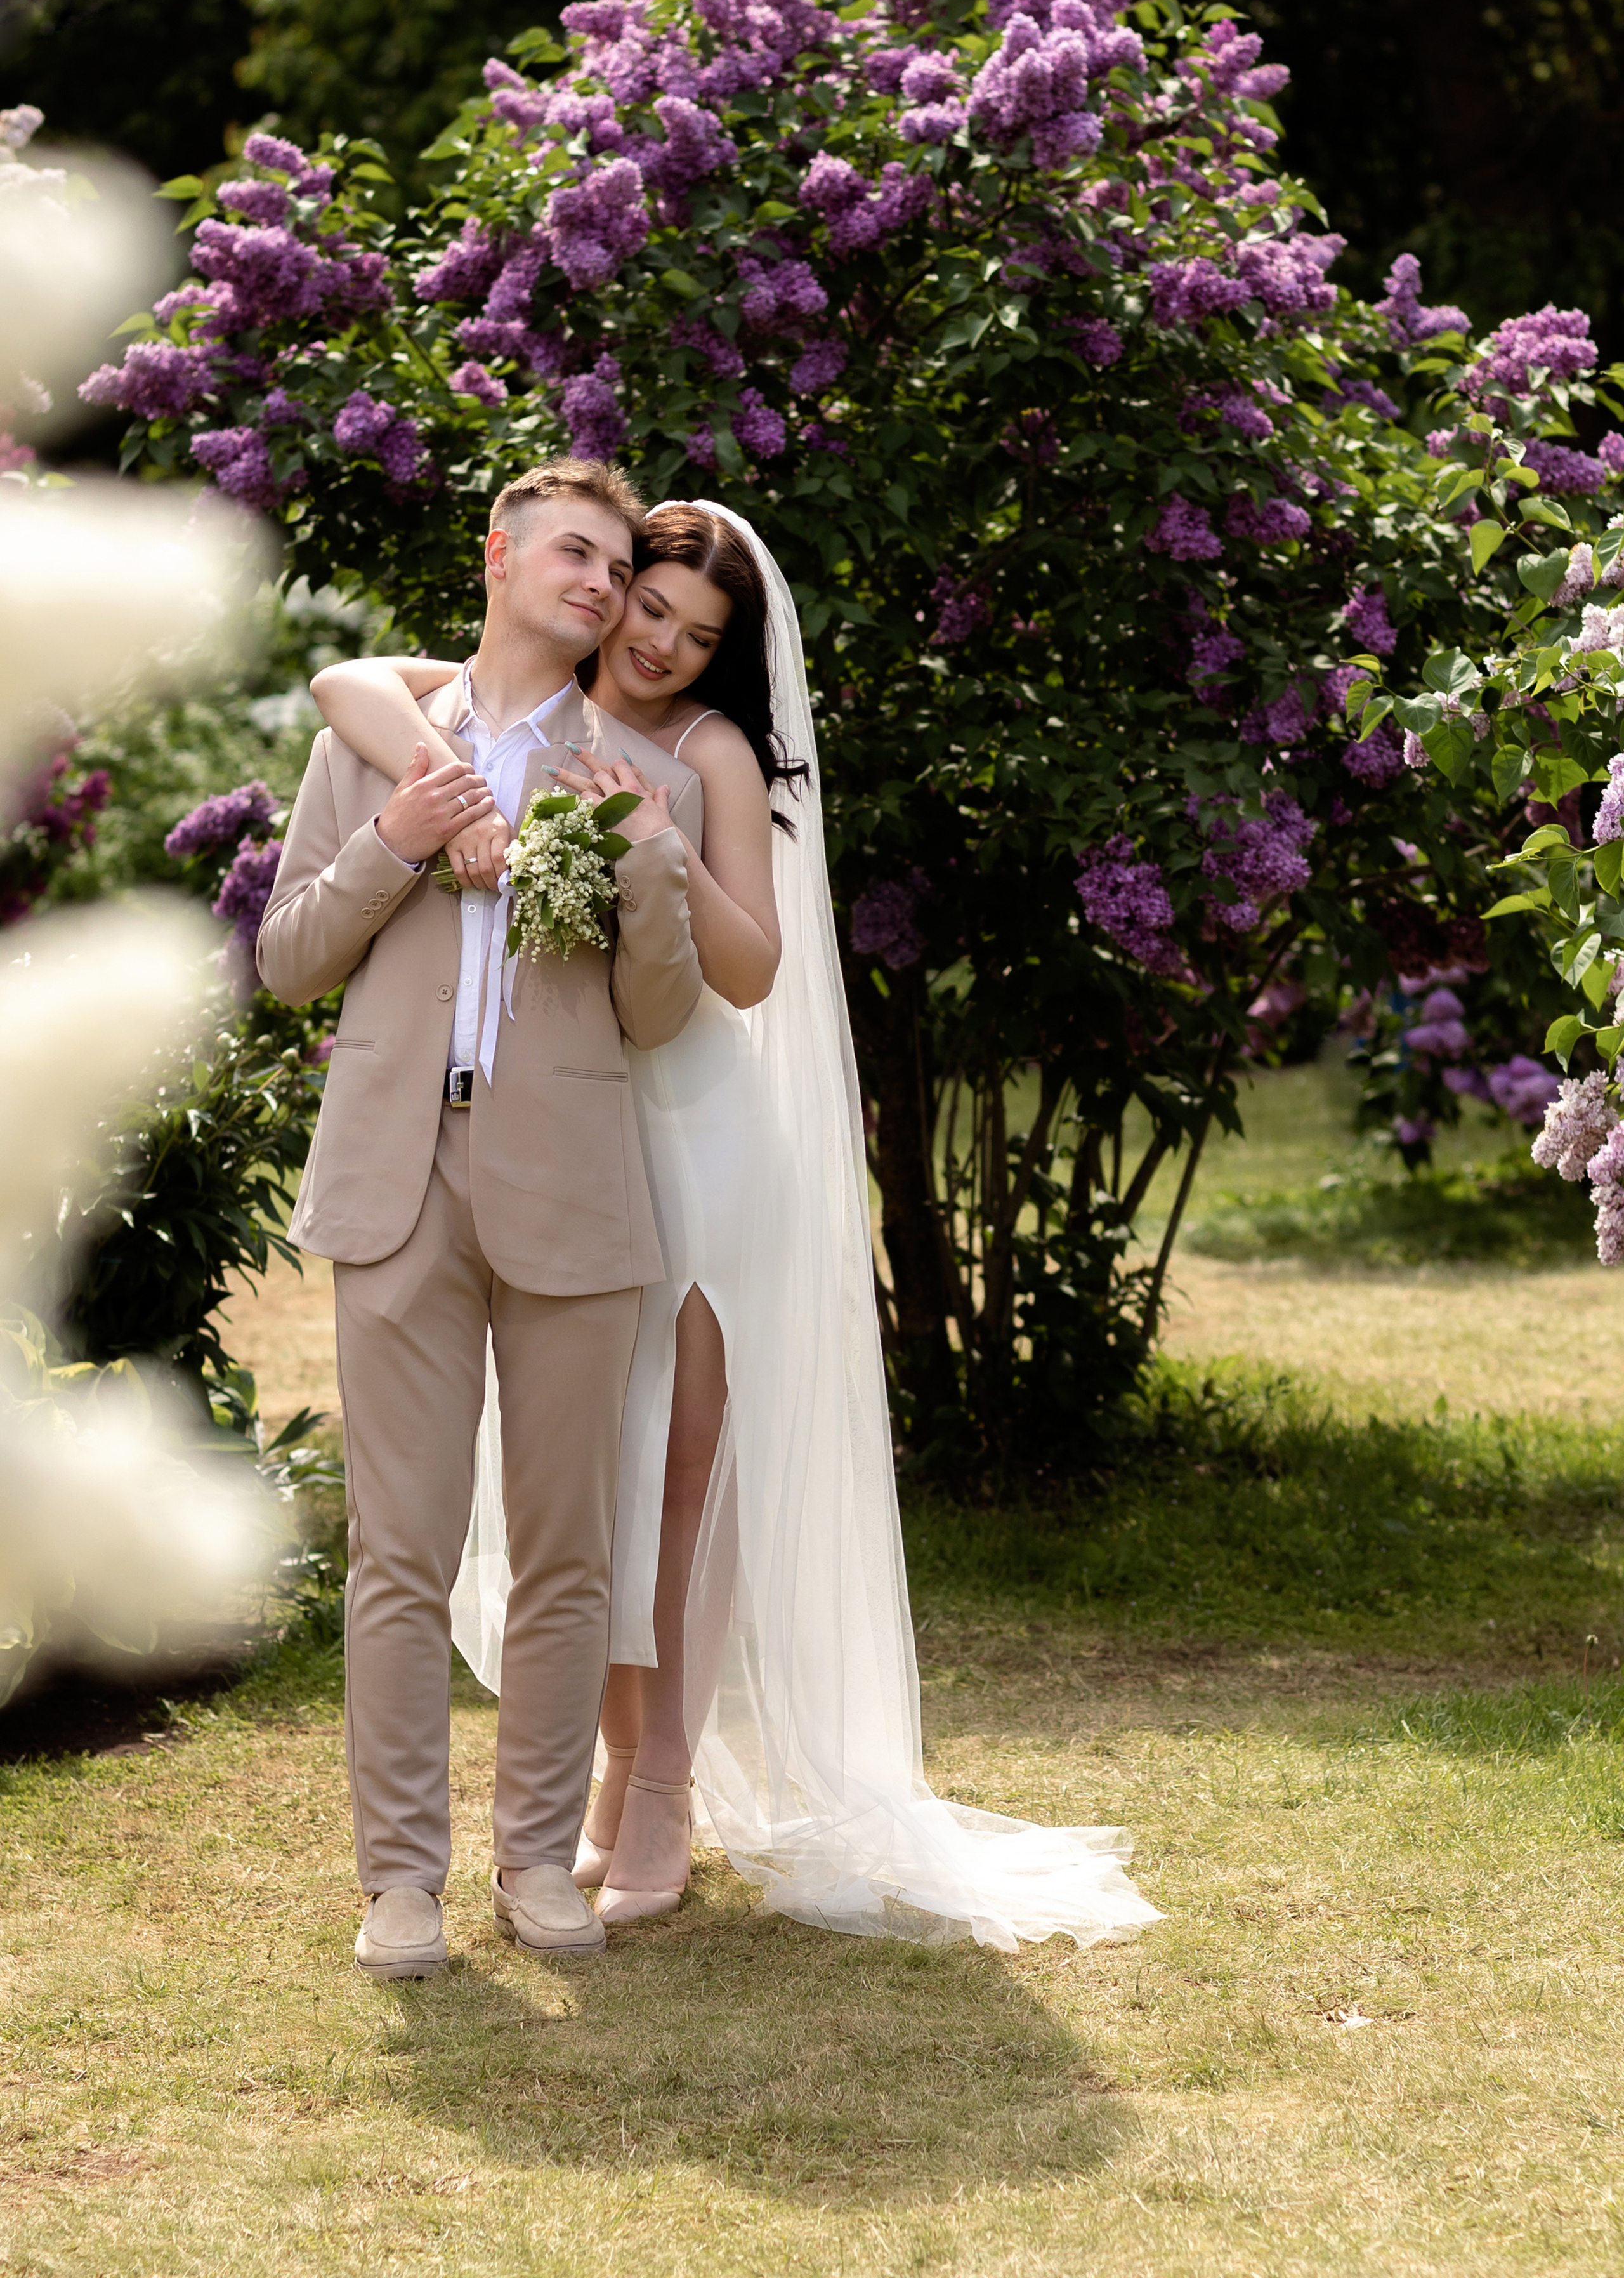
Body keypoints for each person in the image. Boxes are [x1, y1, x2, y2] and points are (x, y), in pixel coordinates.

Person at [313, 497, 1163, 1956]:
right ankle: (564, 1792)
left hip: (689, 1124)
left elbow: (751, 969)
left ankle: (655, 1790)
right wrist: (430, 779)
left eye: (698, 637)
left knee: (672, 1482)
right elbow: (346, 688)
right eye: (647, 608)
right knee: (576, 1484)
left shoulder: (696, 752)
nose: (658, 645)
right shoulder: (514, 713)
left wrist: (657, 845)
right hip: (543, 1124)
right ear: (602, 588)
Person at [258, 458, 707, 1980]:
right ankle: (399, 1884)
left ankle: (535, 1866)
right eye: (572, 552)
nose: (597, 582)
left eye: (615, 565)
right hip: (397, 1184)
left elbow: (657, 1014)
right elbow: (286, 961)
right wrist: (400, 838)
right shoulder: (376, 737)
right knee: (398, 1552)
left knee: (569, 1551)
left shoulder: (643, 776)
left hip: (573, 1190)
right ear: (501, 556)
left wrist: (648, 861)